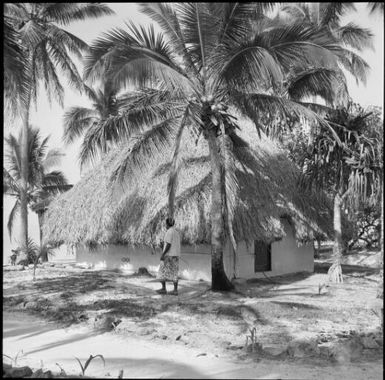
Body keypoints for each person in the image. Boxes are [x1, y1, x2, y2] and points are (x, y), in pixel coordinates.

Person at [156, 217, 181, 295]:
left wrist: (163, 254)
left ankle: (164, 289)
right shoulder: (176, 232)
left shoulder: (169, 232)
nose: (165, 225)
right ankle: (175, 290)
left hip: (169, 255)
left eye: (165, 224)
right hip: (176, 255)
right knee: (174, 272)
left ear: (167, 224)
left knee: (162, 271)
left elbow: (169, 244)